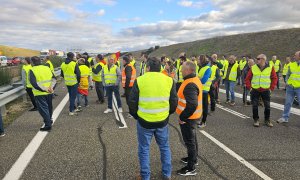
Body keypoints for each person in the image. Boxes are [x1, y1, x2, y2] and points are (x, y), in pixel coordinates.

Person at [128, 57, 177, 180]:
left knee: (144, 149)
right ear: (160, 68)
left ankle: (145, 176)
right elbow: (174, 102)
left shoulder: (140, 80)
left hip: (144, 121)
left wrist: (136, 116)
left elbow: (132, 101)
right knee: (164, 147)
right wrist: (166, 114)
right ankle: (167, 174)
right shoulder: (169, 80)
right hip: (162, 121)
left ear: (148, 68)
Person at [176, 61, 202, 176]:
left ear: (190, 70)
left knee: (189, 141)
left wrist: (183, 117)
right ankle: (193, 159)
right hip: (192, 116)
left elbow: (192, 104)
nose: (181, 70)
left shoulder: (190, 84)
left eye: (183, 69)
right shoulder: (193, 80)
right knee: (192, 139)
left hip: (188, 118)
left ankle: (191, 167)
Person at [245, 54, 277, 127]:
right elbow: (247, 79)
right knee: (255, 106)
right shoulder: (253, 67)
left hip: (266, 90)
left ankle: (267, 120)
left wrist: (271, 88)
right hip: (255, 90)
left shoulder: (270, 67)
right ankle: (256, 120)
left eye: (258, 58)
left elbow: (274, 78)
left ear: (263, 59)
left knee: (267, 106)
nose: (257, 60)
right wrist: (250, 88)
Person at [29, 56, 56, 131]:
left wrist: (44, 89)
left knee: (43, 109)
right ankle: (49, 120)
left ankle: (48, 125)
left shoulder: (32, 70)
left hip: (39, 93)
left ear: (32, 62)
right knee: (49, 107)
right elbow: (54, 79)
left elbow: (34, 83)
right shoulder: (46, 68)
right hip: (49, 92)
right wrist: (51, 88)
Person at [277, 51, 300, 124]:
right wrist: (286, 82)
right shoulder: (292, 65)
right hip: (290, 87)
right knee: (288, 103)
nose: (294, 56)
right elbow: (288, 74)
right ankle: (285, 118)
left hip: (299, 88)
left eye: (295, 55)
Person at [197, 55, 212, 128]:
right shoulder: (202, 68)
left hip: (205, 91)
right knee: (200, 107)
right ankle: (200, 120)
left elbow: (203, 80)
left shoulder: (208, 69)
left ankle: (204, 122)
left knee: (205, 107)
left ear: (202, 60)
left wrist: (197, 79)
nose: (197, 61)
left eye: (198, 59)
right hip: (200, 90)